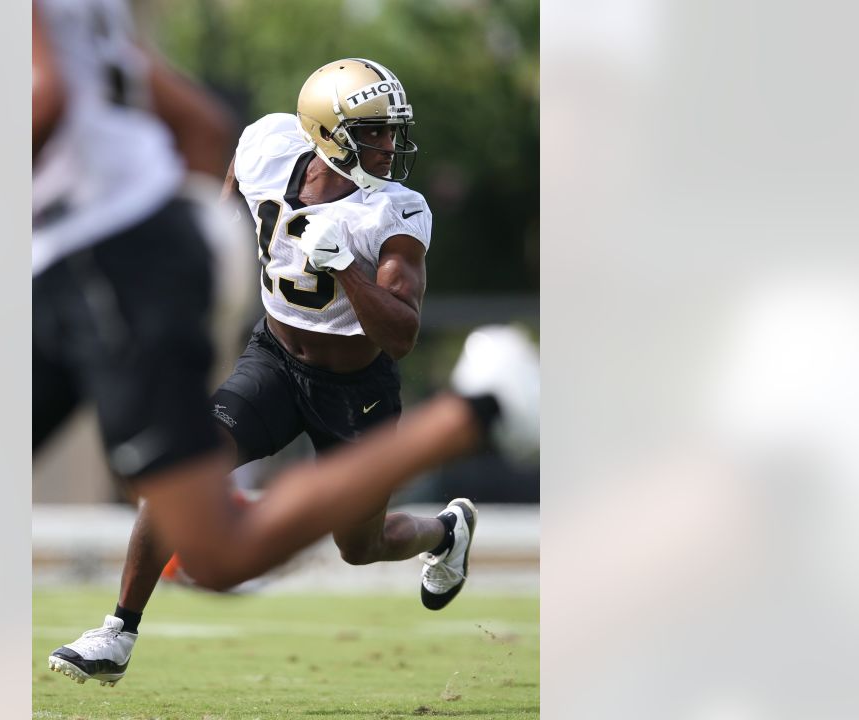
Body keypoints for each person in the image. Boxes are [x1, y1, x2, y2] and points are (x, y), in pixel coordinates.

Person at [34, 0, 539, 688]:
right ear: (327, 135)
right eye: (373, 133)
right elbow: (229, 179)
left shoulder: (394, 211)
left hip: (355, 389)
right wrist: (218, 237)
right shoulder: (268, 144)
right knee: (180, 469)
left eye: (392, 132)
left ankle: (445, 531)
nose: (389, 148)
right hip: (271, 358)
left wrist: (348, 270)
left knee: (361, 546)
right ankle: (118, 632)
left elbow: (401, 334)